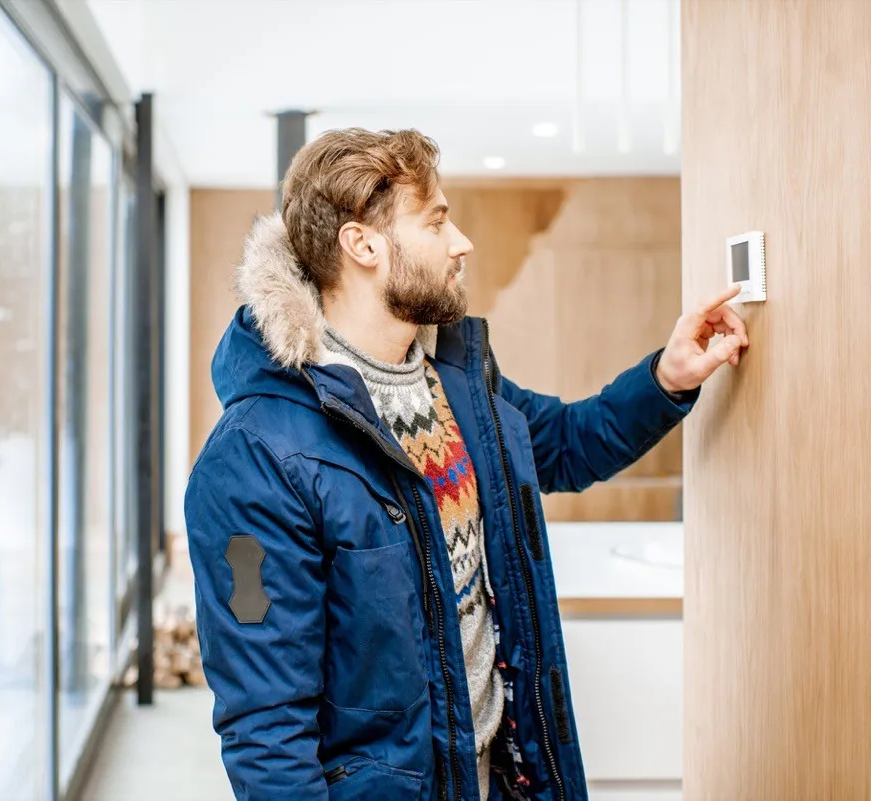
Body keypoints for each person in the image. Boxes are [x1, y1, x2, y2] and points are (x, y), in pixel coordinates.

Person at [183, 128, 747, 801]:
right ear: (363, 244)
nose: (462, 243)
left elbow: (565, 443)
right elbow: (268, 730)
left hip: (498, 774)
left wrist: (667, 378)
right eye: (437, 221)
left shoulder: (456, 378)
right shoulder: (255, 455)